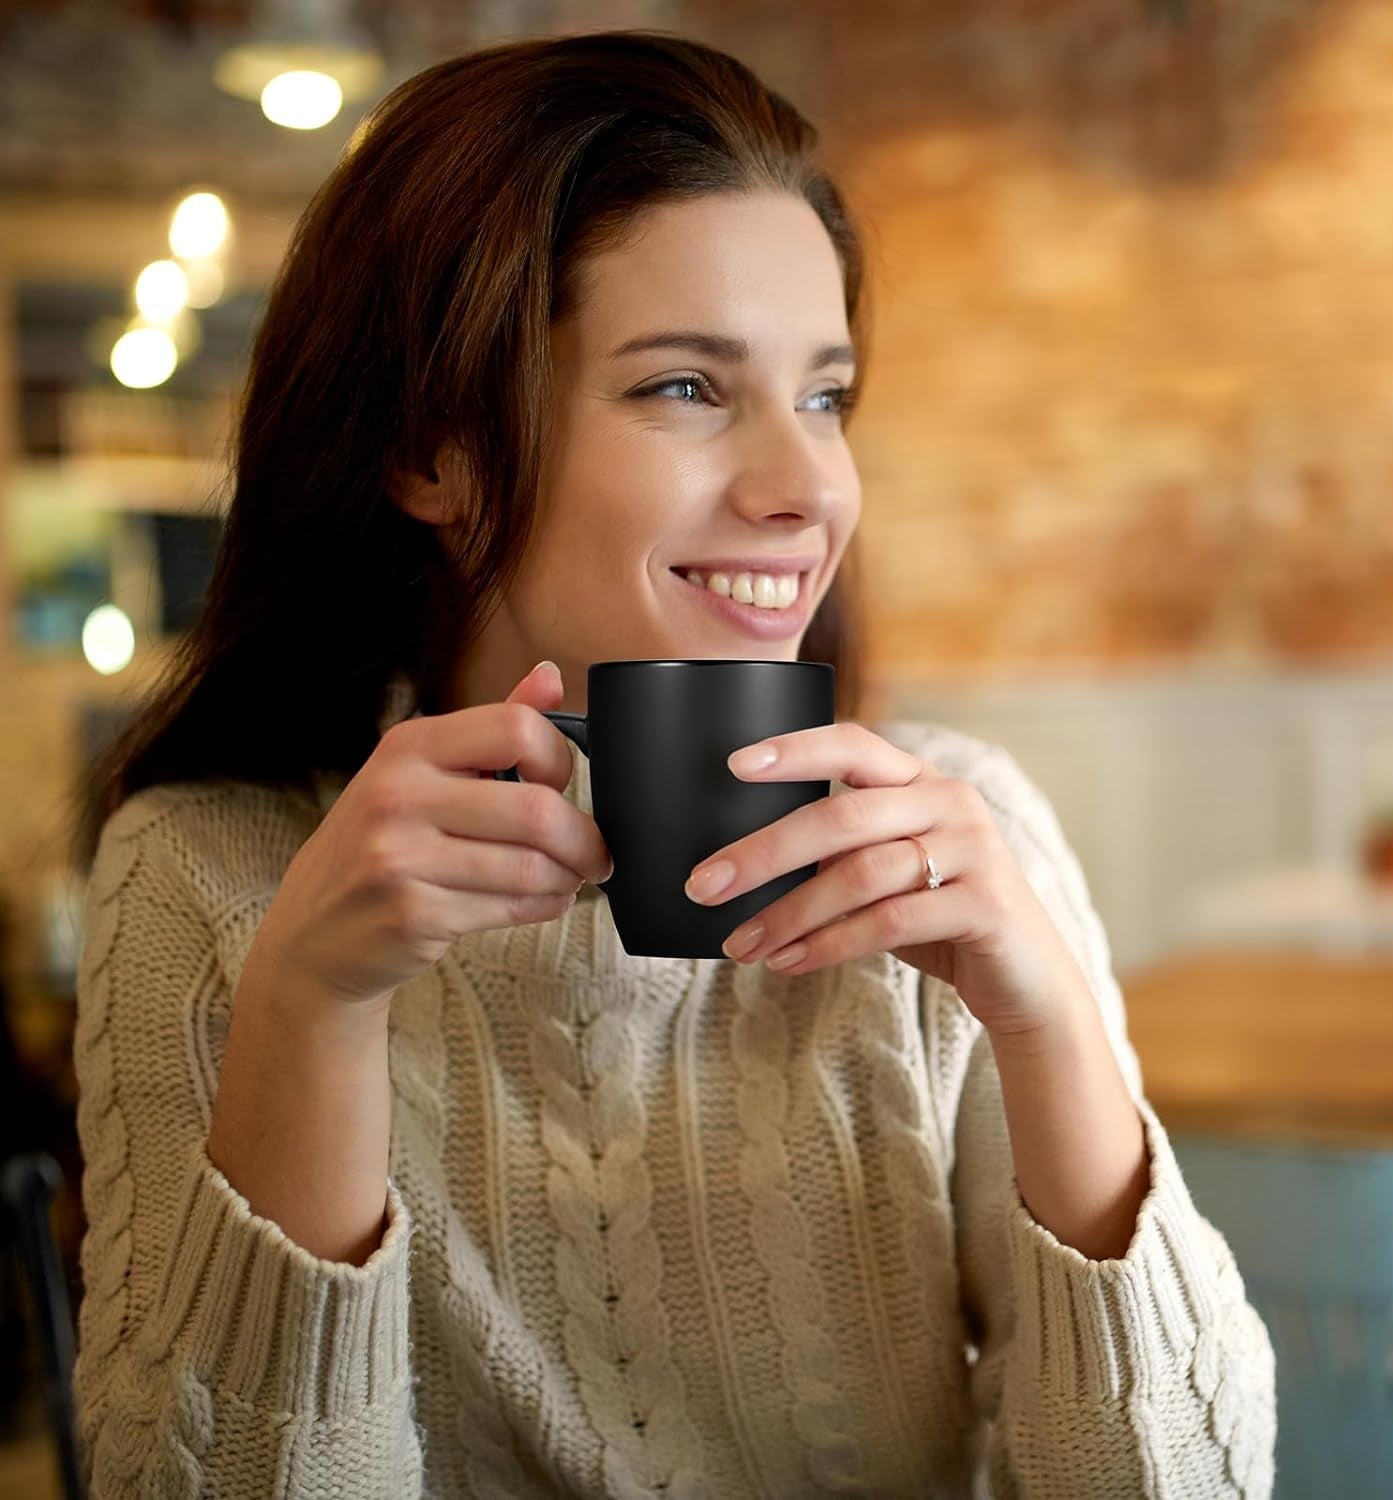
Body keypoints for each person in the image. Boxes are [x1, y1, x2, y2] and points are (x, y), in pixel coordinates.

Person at [69, 29, 1276, 1499]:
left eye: (824, 395)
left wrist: (1047, 1019)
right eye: (688, 389)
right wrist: (310, 1006)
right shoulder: (206, 877)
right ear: (433, 449)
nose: (805, 488)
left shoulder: (960, 840)